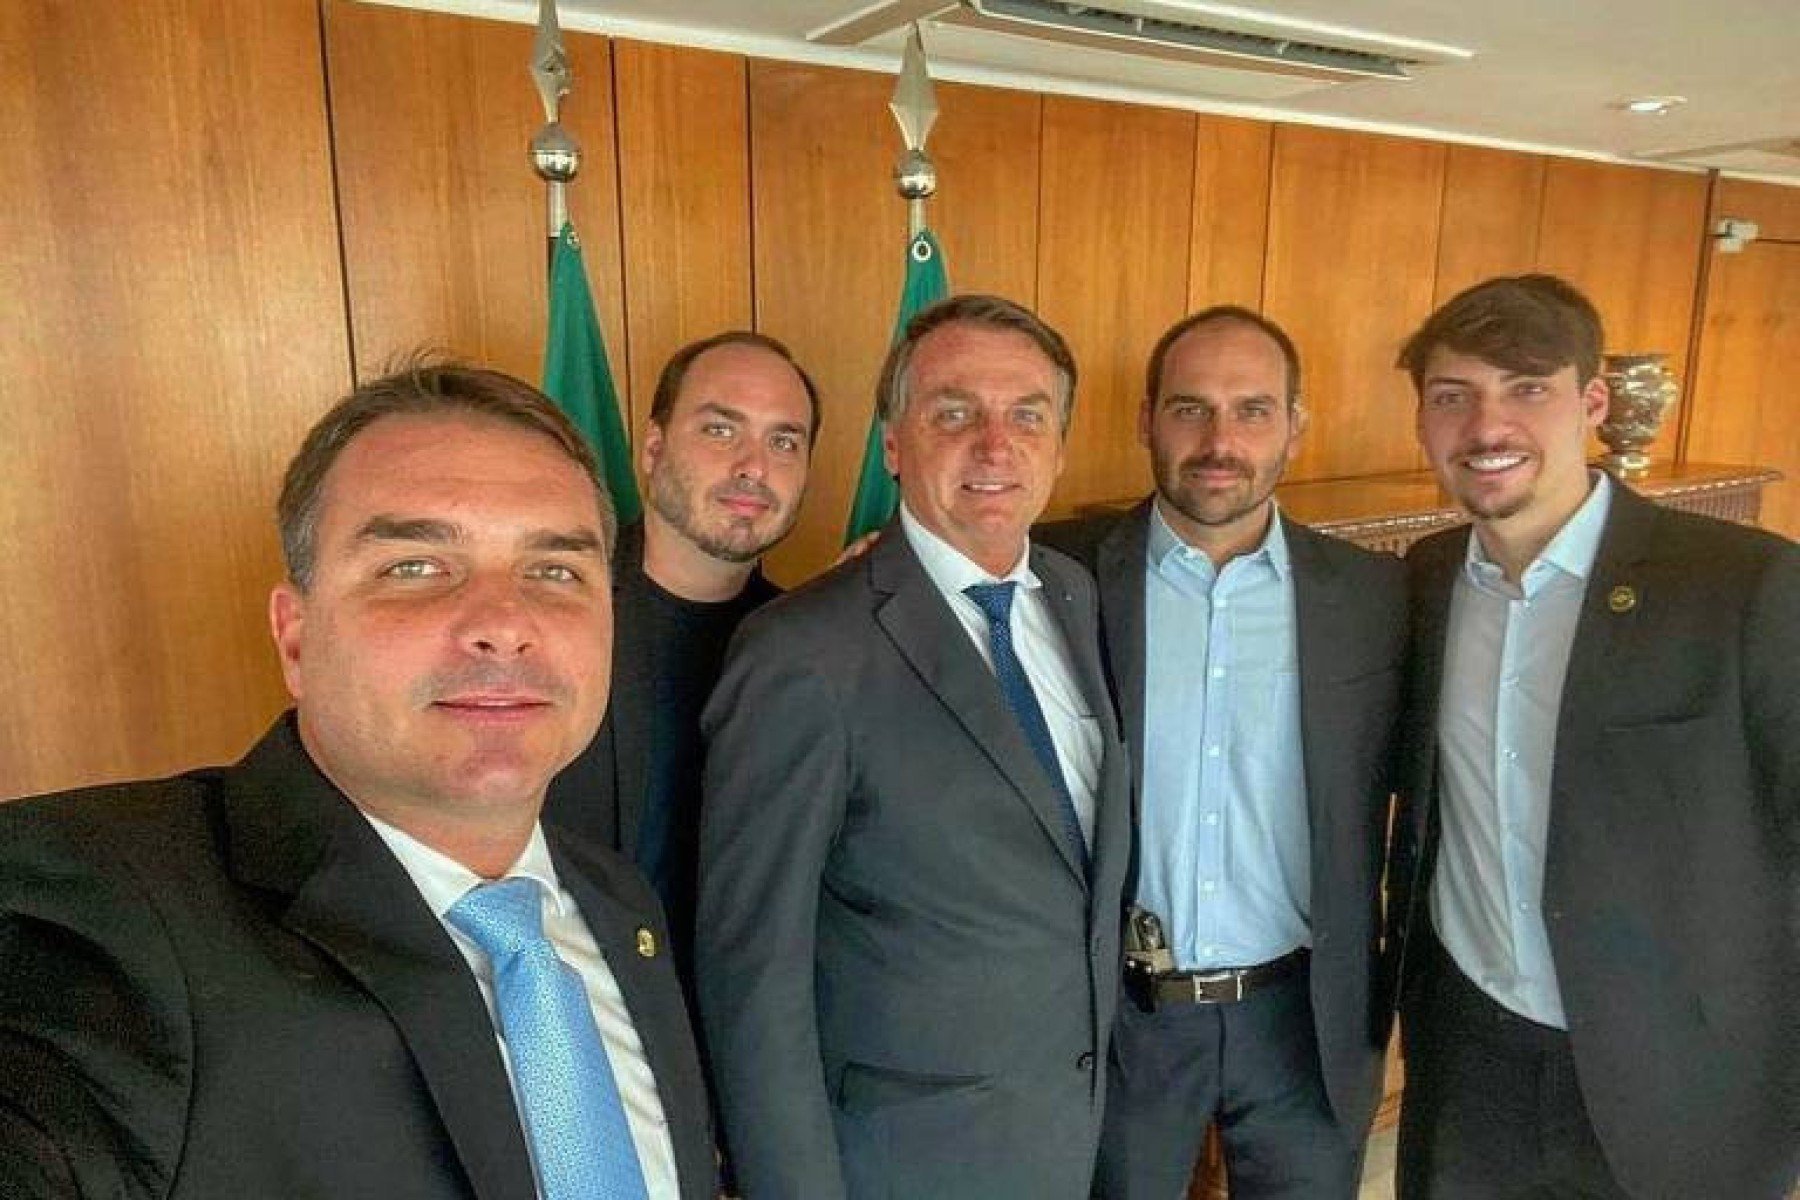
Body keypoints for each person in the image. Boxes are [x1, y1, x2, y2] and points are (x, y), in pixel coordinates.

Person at [0, 362, 715, 1199]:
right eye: (415, 566)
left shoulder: (618, 900)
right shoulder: (98, 914)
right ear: (296, 638)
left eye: (555, 571)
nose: (504, 624)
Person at [695, 294, 1131, 1199]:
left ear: (1059, 446)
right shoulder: (801, 653)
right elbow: (753, 977)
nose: (996, 446)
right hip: (900, 1161)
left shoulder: (1073, 593)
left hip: (1067, 1131)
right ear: (894, 444)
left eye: (1027, 416)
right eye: (955, 413)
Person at [1388, 274, 1800, 1199]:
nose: (1487, 426)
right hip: (1470, 1063)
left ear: (1595, 403)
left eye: (1527, 388)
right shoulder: (1426, 581)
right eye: (1453, 396)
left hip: (1684, 1083)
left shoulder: (1745, 586)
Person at [1039, 307, 1404, 1198]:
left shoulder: (1376, 597)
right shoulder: (1056, 575)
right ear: (1147, 421)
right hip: (1120, 1019)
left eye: (1252, 410)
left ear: (1294, 426)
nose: (1219, 441)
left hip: (1305, 1021)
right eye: (1189, 408)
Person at [545, 330, 817, 976]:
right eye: (721, 430)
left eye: (784, 441)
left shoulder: (816, 646)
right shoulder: (547, 615)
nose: (754, 466)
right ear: (653, 449)